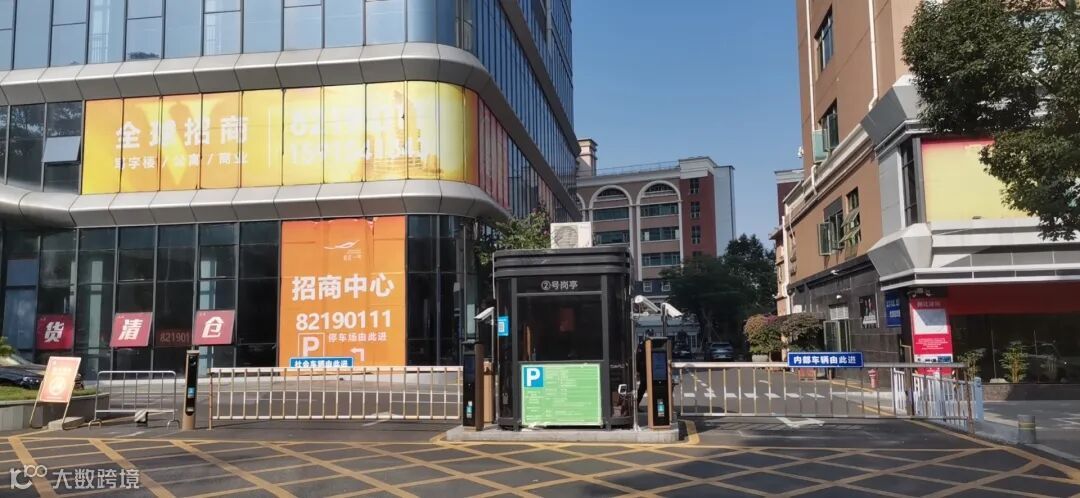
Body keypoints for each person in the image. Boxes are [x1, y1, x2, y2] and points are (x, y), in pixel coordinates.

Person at [635, 340, 647, 408]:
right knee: (642, 387)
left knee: (643, 387)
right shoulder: (642, 344)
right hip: (643, 369)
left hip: (649, 368)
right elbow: (638, 357)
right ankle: (636, 404)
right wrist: (638, 370)